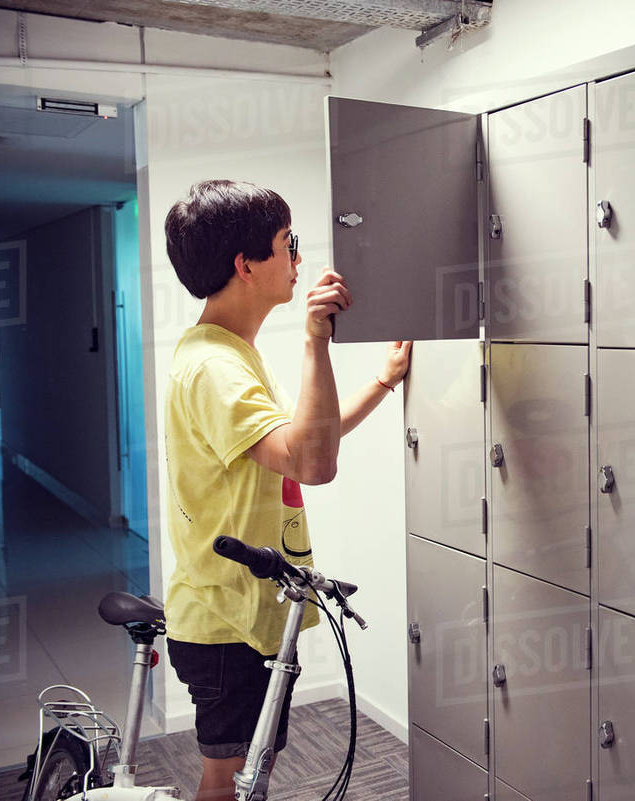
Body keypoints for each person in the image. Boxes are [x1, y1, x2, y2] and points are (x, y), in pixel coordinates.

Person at [161, 179, 411, 801]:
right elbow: (312, 462)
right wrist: (313, 340)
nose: (298, 257)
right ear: (247, 265)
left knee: (254, 776)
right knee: (231, 783)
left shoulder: (227, 353)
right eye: (287, 243)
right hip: (226, 626)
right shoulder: (216, 367)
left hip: (245, 616)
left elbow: (304, 444)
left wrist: (380, 382)